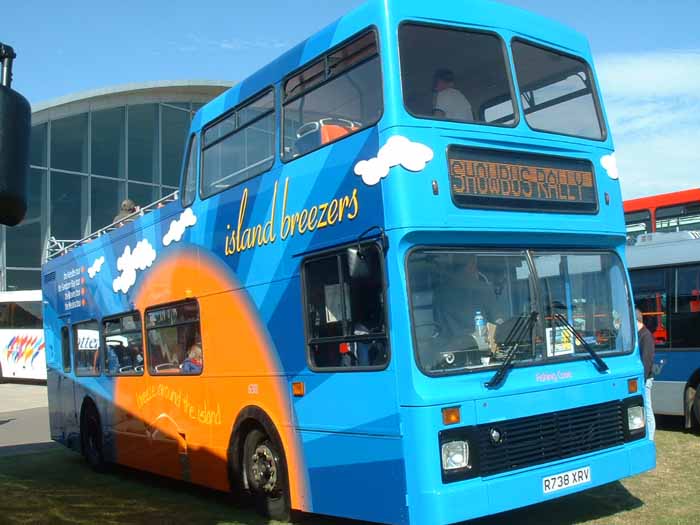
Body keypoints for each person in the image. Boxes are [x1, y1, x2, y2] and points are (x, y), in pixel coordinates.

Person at [637, 307, 656, 440]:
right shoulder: (638, 335)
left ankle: (650, 438)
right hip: (642, 379)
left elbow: (646, 361)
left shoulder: (646, 336)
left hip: (645, 380)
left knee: (647, 410)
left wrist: (641, 382)